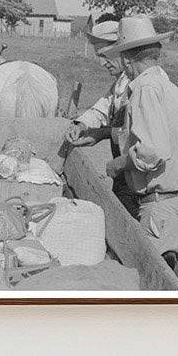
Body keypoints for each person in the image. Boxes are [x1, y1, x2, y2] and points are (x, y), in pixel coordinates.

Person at [101, 15, 178, 268]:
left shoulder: (144, 89)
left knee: (143, 280)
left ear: (125, 58)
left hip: (158, 208)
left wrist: (119, 164)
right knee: (175, 278)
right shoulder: (170, 88)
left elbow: (152, 153)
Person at [65, 15, 136, 212]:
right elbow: (102, 109)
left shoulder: (141, 85)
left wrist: (102, 134)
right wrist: (81, 125)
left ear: (121, 50)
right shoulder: (121, 82)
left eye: (105, 56)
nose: (102, 63)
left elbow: (137, 135)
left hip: (138, 177)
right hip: (125, 172)